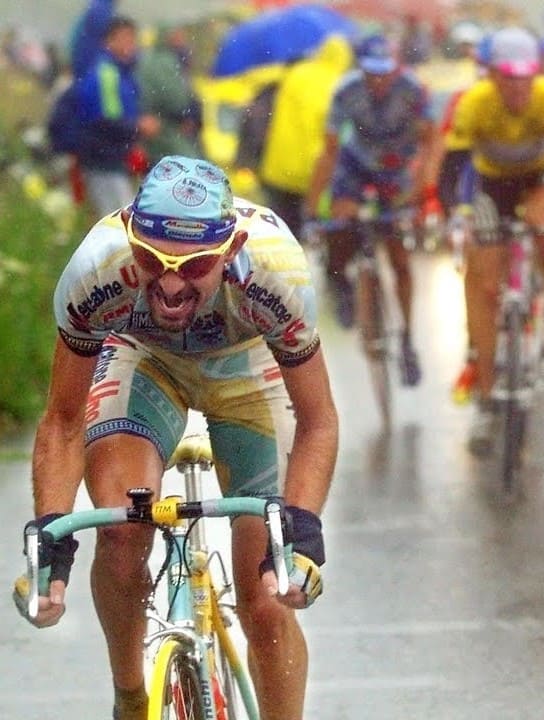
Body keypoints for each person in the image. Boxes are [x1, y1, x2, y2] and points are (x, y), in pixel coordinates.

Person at [13, 155, 339, 720]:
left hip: (247, 365)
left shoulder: (275, 273)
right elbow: (63, 421)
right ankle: (131, 698)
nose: (167, 284)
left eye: (193, 268)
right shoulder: (98, 267)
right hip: (143, 360)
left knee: (267, 595)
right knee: (117, 533)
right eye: (150, 260)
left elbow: (318, 421)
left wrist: (302, 526)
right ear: (131, 241)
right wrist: (51, 536)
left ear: (230, 251)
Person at [439, 26, 544, 454]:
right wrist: (455, 214)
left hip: (542, 175)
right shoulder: (475, 103)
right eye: (508, 77)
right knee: (482, 282)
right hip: (492, 185)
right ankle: (485, 396)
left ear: (536, 74)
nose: (518, 86)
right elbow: (453, 168)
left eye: (526, 77)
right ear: (492, 76)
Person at [305, 33, 438, 387]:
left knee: (399, 257)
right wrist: (313, 207)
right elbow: (330, 151)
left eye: (385, 73)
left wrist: (423, 187)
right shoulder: (346, 91)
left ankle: (408, 340)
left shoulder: (413, 90)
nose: (379, 81)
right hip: (357, 164)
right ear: (361, 70)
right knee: (340, 224)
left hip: (397, 167)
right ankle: (342, 284)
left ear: (396, 68)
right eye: (371, 73)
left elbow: (431, 141)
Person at [256, 35, 353, 239]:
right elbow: (334, 133)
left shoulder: (296, 73)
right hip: (309, 170)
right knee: (307, 230)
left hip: (278, 166)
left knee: (276, 228)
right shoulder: (338, 85)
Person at [76, 15, 161, 218]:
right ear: (109, 41)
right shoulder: (106, 73)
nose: (129, 44)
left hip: (117, 158)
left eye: (132, 38)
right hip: (104, 160)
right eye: (123, 38)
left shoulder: (124, 72)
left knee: (122, 216)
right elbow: (105, 120)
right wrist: (139, 126)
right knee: (117, 220)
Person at [136, 24, 203, 166]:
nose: (182, 41)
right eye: (177, 36)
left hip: (166, 128)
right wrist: (186, 115)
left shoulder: (165, 59)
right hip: (166, 129)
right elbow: (175, 98)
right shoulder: (163, 61)